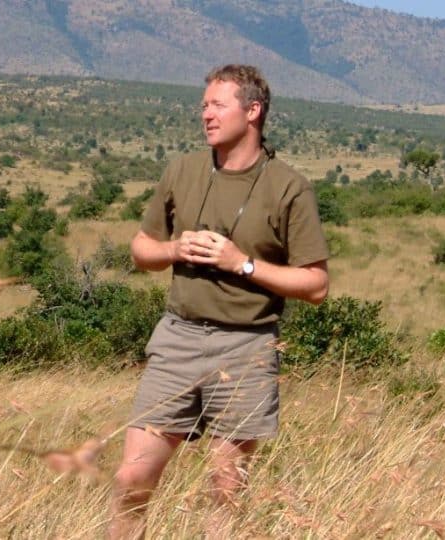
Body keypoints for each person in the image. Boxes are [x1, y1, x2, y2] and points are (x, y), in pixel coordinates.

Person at [107, 64, 330, 539]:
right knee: (132, 479)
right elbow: (141, 249)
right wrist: (174, 249)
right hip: (177, 339)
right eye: (204, 105)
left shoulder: (288, 186)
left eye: (217, 105)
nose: (205, 114)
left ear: (253, 111)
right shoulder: (183, 171)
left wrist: (241, 264)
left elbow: (316, 285)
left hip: (248, 348)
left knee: (225, 489)